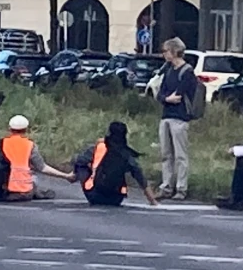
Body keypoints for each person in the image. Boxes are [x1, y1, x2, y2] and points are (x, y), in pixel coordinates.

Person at [0, 115, 73, 202]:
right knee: (34, 177)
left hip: (3, 191)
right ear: (26, 129)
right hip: (24, 193)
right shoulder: (30, 145)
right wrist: (66, 176)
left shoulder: (1, 144)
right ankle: (37, 193)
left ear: (9, 129)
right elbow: (42, 168)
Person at [155, 37, 199, 201]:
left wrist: (168, 97)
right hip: (166, 115)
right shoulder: (168, 70)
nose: (164, 54)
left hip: (180, 117)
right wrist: (166, 99)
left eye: (166, 51)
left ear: (174, 51)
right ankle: (166, 186)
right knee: (166, 154)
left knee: (180, 155)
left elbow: (181, 95)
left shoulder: (187, 72)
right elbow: (161, 93)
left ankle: (181, 188)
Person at [72, 121, 154, 207]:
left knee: (81, 163)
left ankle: (72, 176)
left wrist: (78, 171)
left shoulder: (99, 147)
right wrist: (152, 201)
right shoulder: (126, 153)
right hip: (116, 198)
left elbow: (79, 160)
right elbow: (139, 175)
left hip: (94, 196)